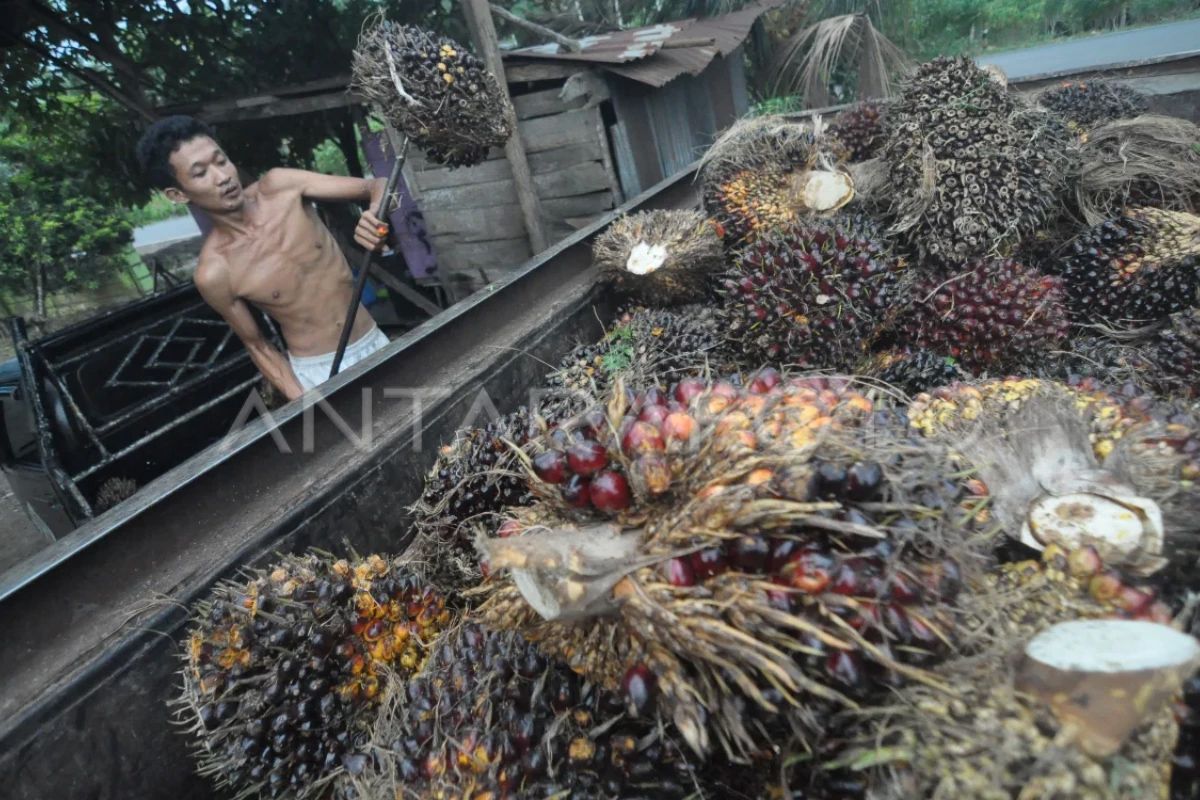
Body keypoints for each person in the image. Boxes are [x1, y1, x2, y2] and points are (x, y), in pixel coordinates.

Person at [135, 115, 391, 400]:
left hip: (375, 341)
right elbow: (258, 346)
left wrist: (375, 217)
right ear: (177, 194)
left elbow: (377, 186)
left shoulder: (283, 187)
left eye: (221, 161)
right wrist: (303, 400)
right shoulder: (215, 272)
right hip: (319, 373)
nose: (222, 177)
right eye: (200, 173)